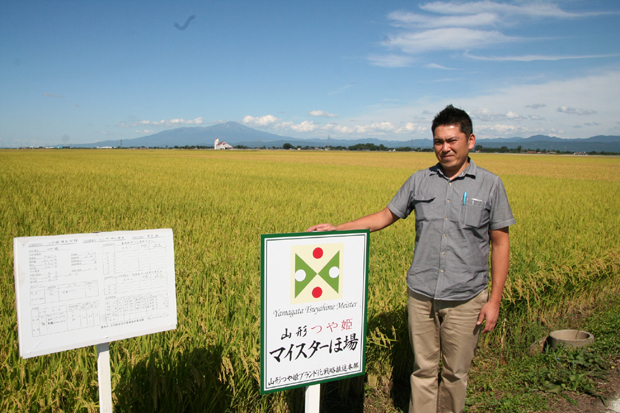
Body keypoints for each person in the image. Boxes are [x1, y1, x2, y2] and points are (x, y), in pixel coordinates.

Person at [307, 105, 515, 413]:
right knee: (424, 369)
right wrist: (337, 228)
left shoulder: (490, 184)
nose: (444, 148)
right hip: (421, 294)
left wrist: (494, 300)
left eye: (452, 140)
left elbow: (500, 243)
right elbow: (385, 216)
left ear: (470, 141)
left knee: (455, 374)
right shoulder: (420, 181)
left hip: (465, 297)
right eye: (438, 141)